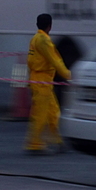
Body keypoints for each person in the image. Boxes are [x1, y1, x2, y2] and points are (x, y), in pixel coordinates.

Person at [25, 13, 71, 154]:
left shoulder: (35, 39)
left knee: (53, 112)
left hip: (42, 82)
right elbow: (55, 60)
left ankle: (57, 141)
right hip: (42, 82)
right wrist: (69, 76)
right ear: (49, 26)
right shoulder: (44, 41)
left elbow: (31, 61)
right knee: (41, 114)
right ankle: (35, 144)